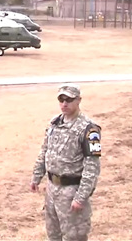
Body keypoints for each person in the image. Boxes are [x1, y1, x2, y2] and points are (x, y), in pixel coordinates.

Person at [30, 83, 102, 241]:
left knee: (74, 236)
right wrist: (37, 175)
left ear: (78, 101)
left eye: (69, 100)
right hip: (51, 190)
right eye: (61, 99)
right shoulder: (55, 123)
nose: (64, 104)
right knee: (53, 234)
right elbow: (45, 150)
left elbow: (92, 168)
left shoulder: (89, 130)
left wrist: (81, 197)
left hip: (71, 192)